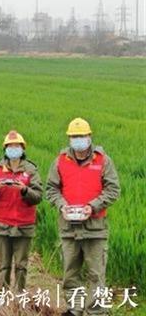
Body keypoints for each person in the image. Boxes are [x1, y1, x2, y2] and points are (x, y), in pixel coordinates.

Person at [45, 118, 120, 316]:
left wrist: (92, 206)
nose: (78, 140)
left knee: (96, 274)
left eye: (82, 136)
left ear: (89, 136)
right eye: (74, 137)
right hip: (69, 228)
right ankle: (75, 309)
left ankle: (95, 312)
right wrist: (62, 205)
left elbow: (113, 189)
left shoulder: (103, 160)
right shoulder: (60, 161)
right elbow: (51, 189)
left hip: (95, 228)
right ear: (69, 139)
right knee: (70, 272)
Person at [0, 130, 43, 293]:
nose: (13, 149)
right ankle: (3, 295)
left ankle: (19, 296)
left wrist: (24, 190)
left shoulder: (31, 170)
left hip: (24, 225)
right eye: (10, 146)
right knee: (4, 264)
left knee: (21, 265)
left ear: (23, 149)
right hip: (3, 223)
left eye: (17, 146)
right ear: (5, 149)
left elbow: (37, 196)